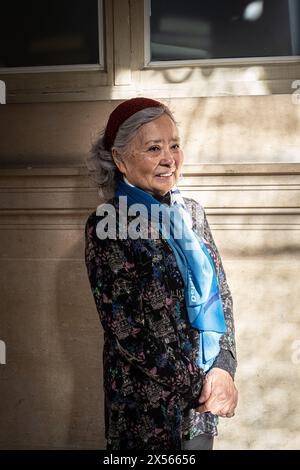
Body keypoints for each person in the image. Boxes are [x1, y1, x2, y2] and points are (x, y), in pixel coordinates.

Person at [85, 97, 238, 451]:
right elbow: (127, 333)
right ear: (120, 159)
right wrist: (202, 384)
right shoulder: (109, 225)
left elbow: (222, 295)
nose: (169, 158)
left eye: (174, 145)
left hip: (202, 410)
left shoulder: (192, 213)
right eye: (154, 148)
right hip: (146, 413)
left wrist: (225, 368)